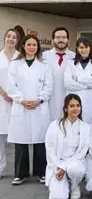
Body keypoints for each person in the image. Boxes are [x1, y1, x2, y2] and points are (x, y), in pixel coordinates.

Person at [7, 34, 53, 185]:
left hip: (39, 106)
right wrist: (22, 100)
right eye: (29, 44)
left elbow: (48, 86)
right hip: (21, 107)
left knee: (40, 142)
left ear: (38, 47)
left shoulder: (45, 66)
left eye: (34, 45)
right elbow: (11, 86)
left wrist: (39, 100)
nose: (32, 47)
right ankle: (21, 174)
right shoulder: (15, 65)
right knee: (21, 141)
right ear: (24, 46)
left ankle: (41, 172)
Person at [45, 94, 90, 199]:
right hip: (57, 164)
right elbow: (50, 149)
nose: (75, 108)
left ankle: (75, 186)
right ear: (66, 108)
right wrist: (58, 167)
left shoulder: (86, 127)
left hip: (75, 163)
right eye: (72, 106)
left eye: (78, 105)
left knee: (75, 170)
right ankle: (63, 184)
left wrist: (63, 167)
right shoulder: (54, 125)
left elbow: (82, 152)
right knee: (58, 196)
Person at [64, 37, 92, 123]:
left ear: (90, 48)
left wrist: (77, 79)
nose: (84, 50)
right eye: (81, 47)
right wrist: (86, 86)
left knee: (90, 130)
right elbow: (67, 83)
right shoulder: (70, 63)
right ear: (77, 49)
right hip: (74, 104)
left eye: (86, 47)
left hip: (91, 104)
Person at [43, 27, 75, 121]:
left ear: (68, 40)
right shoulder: (43, 57)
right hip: (49, 102)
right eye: (57, 37)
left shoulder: (75, 57)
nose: (61, 40)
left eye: (64, 37)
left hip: (69, 101)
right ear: (52, 40)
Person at [0, 29, 19, 179]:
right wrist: (4, 94)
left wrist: (15, 95)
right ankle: (0, 168)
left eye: (14, 37)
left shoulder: (21, 57)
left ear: (17, 41)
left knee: (18, 137)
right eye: (9, 36)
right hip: (1, 100)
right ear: (4, 38)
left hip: (18, 100)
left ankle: (19, 171)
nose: (11, 39)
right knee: (0, 136)